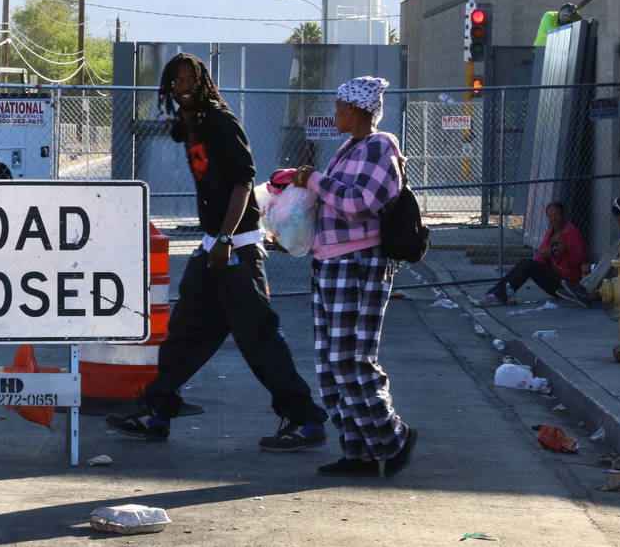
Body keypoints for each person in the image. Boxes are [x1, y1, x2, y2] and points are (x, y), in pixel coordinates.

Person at [104, 52, 328, 449]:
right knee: (186, 334)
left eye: (191, 79)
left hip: (236, 248)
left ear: (203, 82)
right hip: (213, 248)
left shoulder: (221, 123)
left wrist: (225, 239)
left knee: (259, 339)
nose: (184, 86)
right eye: (177, 81)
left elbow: (244, 181)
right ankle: (157, 412)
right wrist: (215, 242)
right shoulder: (193, 125)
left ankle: (305, 420)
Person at [289, 76, 417, 478]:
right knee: (329, 364)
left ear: (357, 110)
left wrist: (313, 179)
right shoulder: (348, 148)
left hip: (359, 265)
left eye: (340, 105)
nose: (335, 112)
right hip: (330, 263)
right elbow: (333, 199)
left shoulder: (381, 147)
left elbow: (360, 203)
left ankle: (391, 437)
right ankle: (357, 451)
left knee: (350, 360)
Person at [477, 201, 588, 306]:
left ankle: (498, 296)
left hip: (567, 283)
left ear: (563, 215)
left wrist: (567, 253)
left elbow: (582, 262)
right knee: (525, 262)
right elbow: (538, 259)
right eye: (550, 216)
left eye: (556, 215)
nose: (553, 219)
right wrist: (545, 257)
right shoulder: (550, 233)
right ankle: (493, 293)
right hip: (553, 278)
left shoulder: (571, 232)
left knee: (528, 265)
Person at [557, 196, 620, 305]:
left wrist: (592, 268)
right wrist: (593, 267)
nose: (618, 220)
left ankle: (587, 290)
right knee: (619, 250)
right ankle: (588, 290)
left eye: (619, 217)